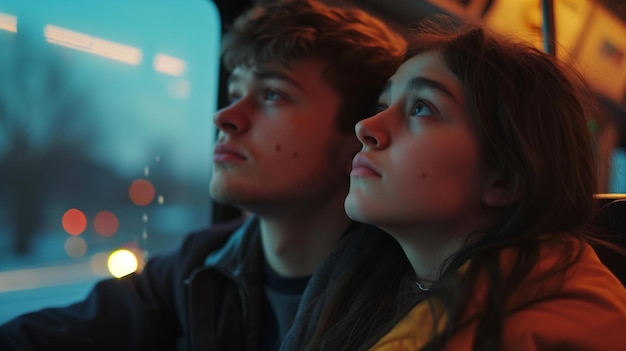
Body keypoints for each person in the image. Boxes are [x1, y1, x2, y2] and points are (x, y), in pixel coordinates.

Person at [0, 1, 409, 350]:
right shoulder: (198, 268)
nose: (224, 117)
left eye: (273, 94)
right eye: (234, 94)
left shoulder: (406, 296)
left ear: (359, 137)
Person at [309, 15, 626, 350]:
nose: (366, 127)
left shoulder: (552, 331)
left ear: (505, 178)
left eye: (421, 108)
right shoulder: (365, 285)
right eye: (383, 105)